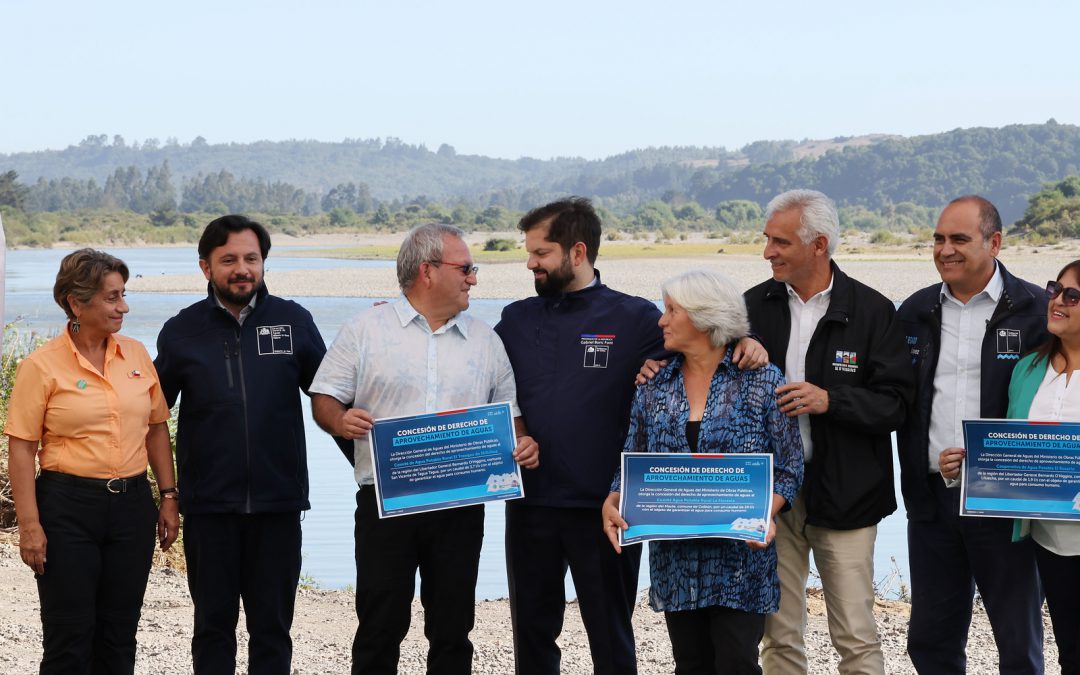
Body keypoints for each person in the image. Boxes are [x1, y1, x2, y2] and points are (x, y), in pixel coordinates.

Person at [495, 197, 767, 674]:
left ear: (577, 252)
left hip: (609, 509)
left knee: (611, 636)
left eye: (540, 253)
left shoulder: (636, 317)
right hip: (531, 505)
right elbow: (483, 377)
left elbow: (702, 342)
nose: (530, 263)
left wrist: (746, 342)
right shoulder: (515, 319)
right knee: (532, 635)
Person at [309, 222, 540, 675]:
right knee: (379, 625)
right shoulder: (364, 329)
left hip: (461, 507)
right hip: (383, 504)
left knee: (453, 629)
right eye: (466, 268)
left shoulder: (486, 340)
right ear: (427, 271)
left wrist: (524, 442)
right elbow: (323, 396)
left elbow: (509, 415)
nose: (473, 277)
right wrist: (339, 419)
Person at [741, 189, 912, 674]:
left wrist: (830, 400)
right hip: (775, 495)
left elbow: (897, 405)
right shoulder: (750, 307)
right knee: (777, 637)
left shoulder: (874, 310)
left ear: (819, 245)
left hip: (850, 493)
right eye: (767, 240)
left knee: (856, 637)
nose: (768, 251)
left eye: (780, 242)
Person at [603, 269, 803, 675]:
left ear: (704, 316)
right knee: (689, 665)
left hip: (740, 562)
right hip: (676, 564)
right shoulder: (654, 384)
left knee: (737, 664)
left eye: (672, 310)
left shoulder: (762, 382)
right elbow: (633, 458)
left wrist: (767, 513)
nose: (661, 320)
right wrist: (613, 499)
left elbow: (788, 468)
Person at [155, 215, 330, 674]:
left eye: (251, 258)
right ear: (205, 266)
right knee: (212, 628)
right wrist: (166, 495)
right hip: (210, 508)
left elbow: (333, 397)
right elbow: (152, 417)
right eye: (228, 259)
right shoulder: (182, 330)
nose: (242, 269)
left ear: (263, 263)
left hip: (278, 505)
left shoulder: (294, 321)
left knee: (272, 630)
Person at [6, 248, 179, 674]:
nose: (123, 306)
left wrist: (170, 496)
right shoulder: (41, 366)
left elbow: (157, 427)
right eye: (112, 297)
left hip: (131, 506)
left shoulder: (137, 355)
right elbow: (22, 448)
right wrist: (30, 527)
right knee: (69, 640)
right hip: (67, 508)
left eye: (123, 295)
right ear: (76, 303)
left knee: (119, 637)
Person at [897, 195, 1047, 674]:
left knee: (1018, 643)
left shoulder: (1037, 310)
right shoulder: (914, 311)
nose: (945, 249)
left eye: (959, 239)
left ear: (994, 242)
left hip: (1008, 503)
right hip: (932, 501)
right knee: (931, 641)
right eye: (939, 239)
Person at [991, 261, 1080, 675]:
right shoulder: (1028, 368)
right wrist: (967, 467)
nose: (1057, 301)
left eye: (1072, 296)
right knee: (1071, 650)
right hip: (1049, 539)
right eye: (1055, 289)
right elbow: (1013, 447)